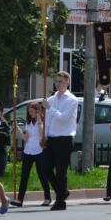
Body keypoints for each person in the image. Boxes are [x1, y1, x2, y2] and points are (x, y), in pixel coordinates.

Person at [42, 71, 78, 211]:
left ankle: (60, 202)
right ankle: (62, 192)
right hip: (51, 138)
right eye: (56, 81)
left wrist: (50, 108)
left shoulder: (72, 100)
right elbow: (47, 120)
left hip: (64, 138)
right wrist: (44, 136)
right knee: (45, 168)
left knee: (61, 172)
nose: (58, 84)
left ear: (67, 83)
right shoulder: (51, 99)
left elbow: (63, 118)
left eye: (61, 81)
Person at [11, 102, 52, 207]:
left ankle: (47, 197)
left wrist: (39, 121)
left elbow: (42, 134)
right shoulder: (28, 123)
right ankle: (20, 200)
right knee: (24, 175)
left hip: (39, 150)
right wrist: (18, 130)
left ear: (37, 111)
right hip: (28, 150)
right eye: (29, 112)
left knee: (41, 174)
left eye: (32, 111)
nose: (30, 114)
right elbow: (26, 138)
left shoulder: (42, 122)